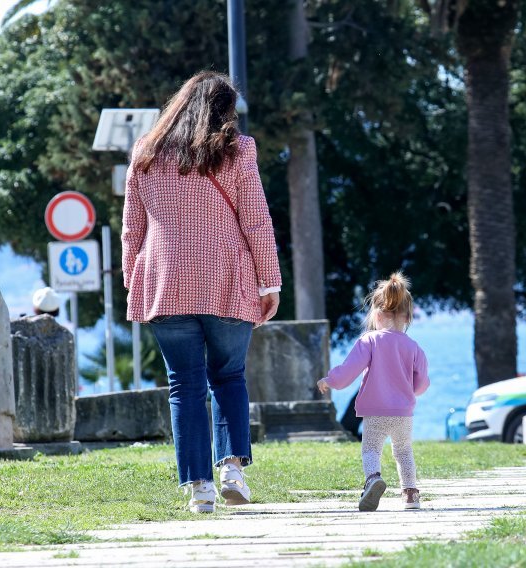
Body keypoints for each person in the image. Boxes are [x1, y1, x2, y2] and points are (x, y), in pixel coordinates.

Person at [121, 71, 281, 514]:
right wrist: (270, 282)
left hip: (164, 283)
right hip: (227, 279)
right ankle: (231, 469)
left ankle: (199, 489)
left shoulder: (146, 153)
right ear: (225, 111)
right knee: (229, 375)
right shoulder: (238, 151)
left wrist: (134, 280)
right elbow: (255, 221)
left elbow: (133, 228)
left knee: (183, 386)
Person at [317, 272, 429, 512]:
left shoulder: (369, 341)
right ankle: (410, 494)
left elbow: (348, 371)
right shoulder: (414, 347)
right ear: (407, 317)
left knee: (370, 449)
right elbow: (421, 384)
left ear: (377, 314)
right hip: (403, 413)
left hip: (375, 411)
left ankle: (373, 479)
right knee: (403, 451)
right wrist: (409, 392)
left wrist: (330, 381)